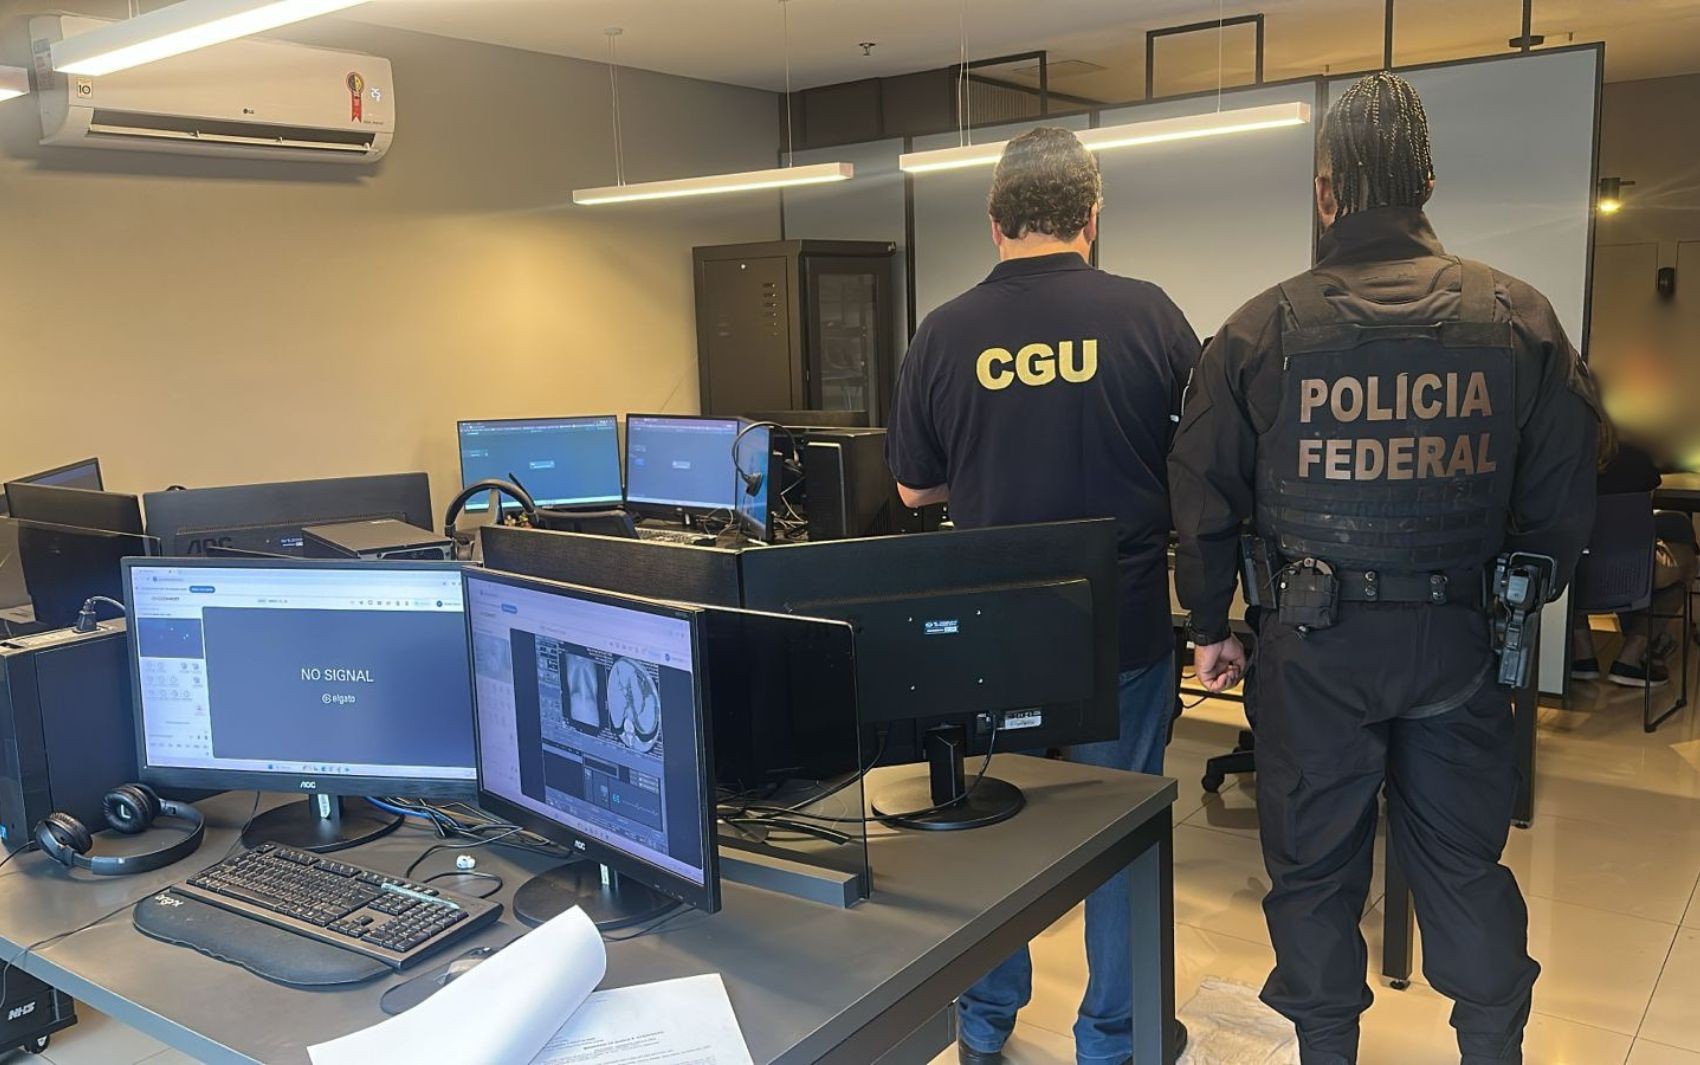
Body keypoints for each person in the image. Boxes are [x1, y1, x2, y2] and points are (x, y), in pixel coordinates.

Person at [1169, 72, 1599, 1064]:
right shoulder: (1520, 319)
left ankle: (1327, 1050)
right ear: (1428, 184)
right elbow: (1561, 501)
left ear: (1324, 193)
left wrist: (1210, 625)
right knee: (1463, 867)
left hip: (1311, 651)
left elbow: (1201, 493)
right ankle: (1490, 1048)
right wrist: (1509, 599)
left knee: (1313, 874)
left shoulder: (1259, 329)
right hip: (1458, 643)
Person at [885, 126, 1199, 1065]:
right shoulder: (1150, 316)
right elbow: (1197, 464)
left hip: (994, 634)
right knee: (1121, 831)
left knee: (995, 828)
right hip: (1123, 625)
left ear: (995, 222)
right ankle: (1113, 1039)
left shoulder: (943, 331)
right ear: (1091, 217)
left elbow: (914, 488)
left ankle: (985, 1023)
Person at [1569, 418, 1699, 687]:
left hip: (1574, 575)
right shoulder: (1639, 450)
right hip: (1632, 573)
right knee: (1688, 561)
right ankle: (1632, 654)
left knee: (1569, 556)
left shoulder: (1561, 453)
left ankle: (1582, 654)